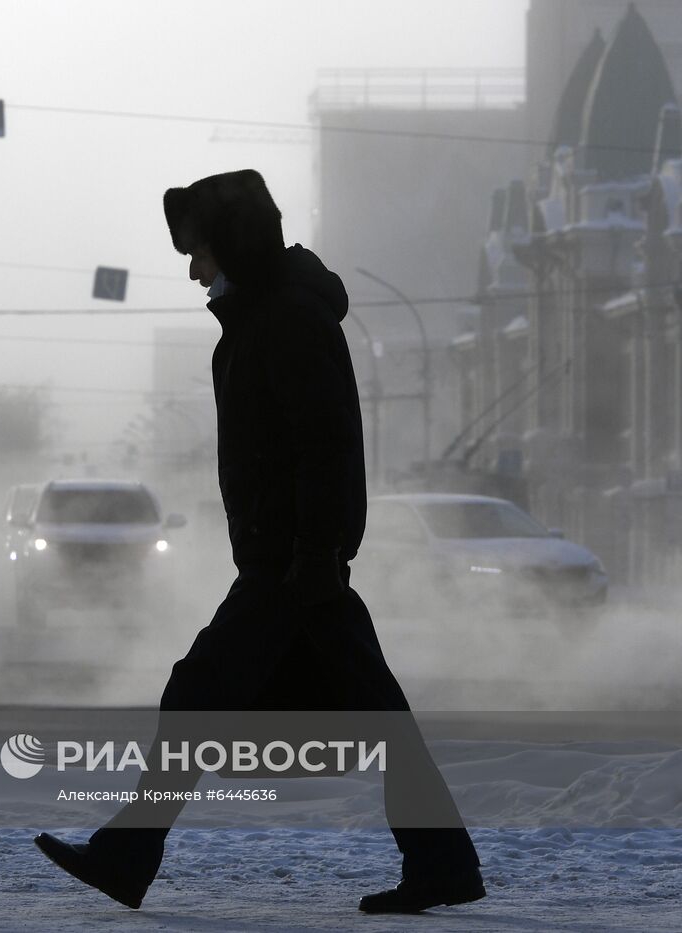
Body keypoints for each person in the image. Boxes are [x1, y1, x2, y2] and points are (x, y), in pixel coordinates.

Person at [33, 169, 485, 915]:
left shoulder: (286, 321)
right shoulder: (267, 316)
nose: (192, 267)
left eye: (201, 249)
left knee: (194, 696)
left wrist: (311, 555)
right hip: (294, 560)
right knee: (375, 716)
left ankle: (125, 855)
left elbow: (323, 444)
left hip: (289, 565)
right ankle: (443, 861)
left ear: (235, 246)